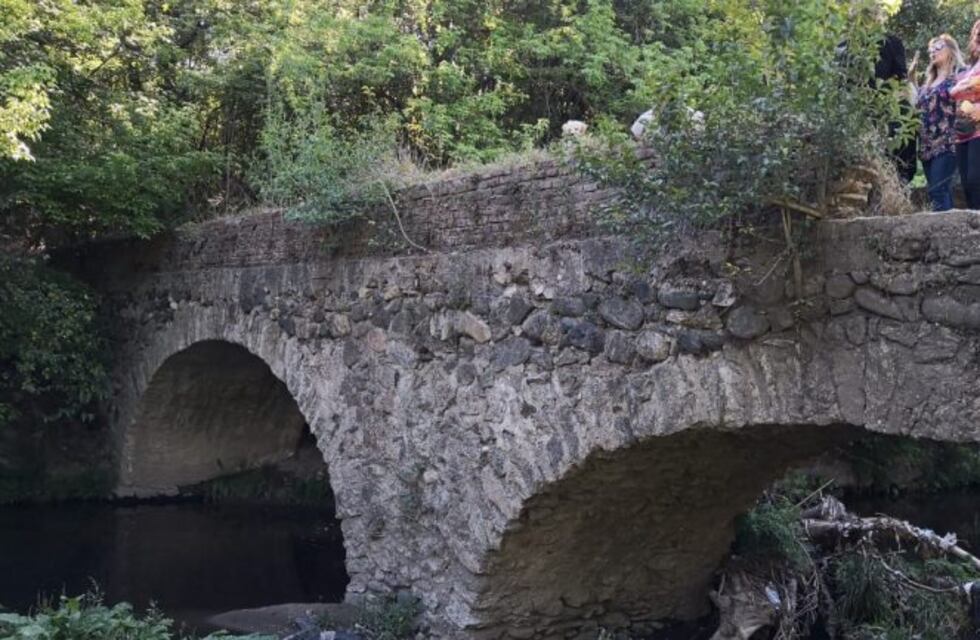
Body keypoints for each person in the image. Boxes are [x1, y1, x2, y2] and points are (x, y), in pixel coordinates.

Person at [915, 34, 965, 211]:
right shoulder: (927, 82)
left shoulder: (960, 76)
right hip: (926, 145)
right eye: (930, 49)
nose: (932, 52)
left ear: (950, 51)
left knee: (938, 190)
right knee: (938, 191)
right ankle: (951, 234)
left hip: (948, 142)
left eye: (938, 47)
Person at [952, 20, 980, 209]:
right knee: (966, 182)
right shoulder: (971, 67)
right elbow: (953, 92)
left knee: (975, 179)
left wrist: (967, 86)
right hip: (963, 131)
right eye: (976, 32)